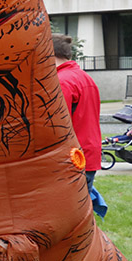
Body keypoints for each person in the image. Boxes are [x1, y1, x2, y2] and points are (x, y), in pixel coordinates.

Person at [52, 34, 102, 192]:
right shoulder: (84, 77)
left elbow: (56, 124)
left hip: (70, 158)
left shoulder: (61, 81)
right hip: (86, 153)